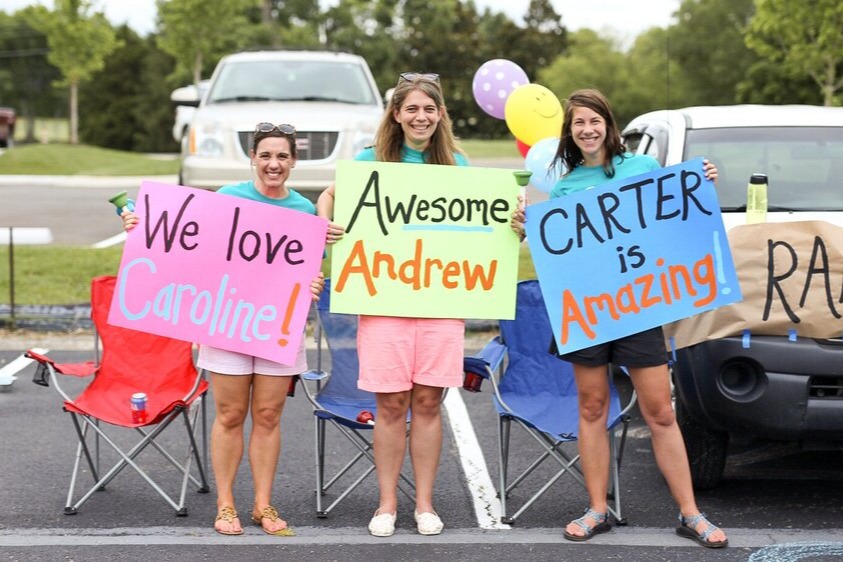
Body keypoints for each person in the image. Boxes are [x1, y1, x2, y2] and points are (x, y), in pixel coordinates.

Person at [510, 89, 729, 549]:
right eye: (577, 124)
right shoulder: (565, 186)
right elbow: (556, 247)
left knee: (660, 411)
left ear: (609, 124)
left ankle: (691, 514)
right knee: (592, 409)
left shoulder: (644, 171)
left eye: (595, 121)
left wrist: (700, 181)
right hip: (586, 311)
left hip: (637, 308)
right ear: (569, 133)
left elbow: (675, 216)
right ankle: (597, 509)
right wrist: (527, 228)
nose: (587, 130)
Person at [122, 123, 326, 537]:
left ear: (294, 161)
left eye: (282, 156)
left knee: (268, 415)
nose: (274, 164)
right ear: (252, 157)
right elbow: (183, 239)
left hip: (276, 327)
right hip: (229, 321)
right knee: (230, 414)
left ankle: (263, 505)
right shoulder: (227, 198)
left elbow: (303, 271)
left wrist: (314, 283)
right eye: (266, 155)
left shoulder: (305, 212)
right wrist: (139, 226)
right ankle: (227, 505)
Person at [317, 72, 470, 538]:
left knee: (427, 402)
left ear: (440, 114)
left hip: (442, 301)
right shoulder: (370, 161)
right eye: (411, 109)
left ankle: (424, 504)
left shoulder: (459, 166)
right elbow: (328, 195)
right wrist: (325, 224)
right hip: (384, 300)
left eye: (429, 109)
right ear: (397, 115)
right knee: (390, 404)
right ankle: (387, 504)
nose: (420, 117)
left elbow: (488, 222)